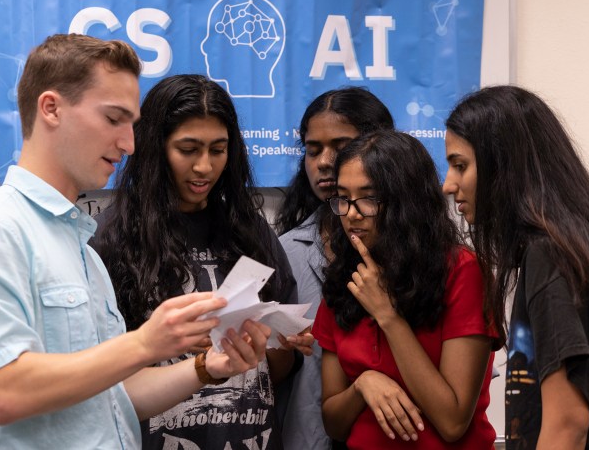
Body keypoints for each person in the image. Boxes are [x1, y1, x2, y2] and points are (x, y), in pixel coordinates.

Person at [0, 34, 270, 449]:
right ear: (51, 108)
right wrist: (144, 343)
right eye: (114, 119)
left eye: (131, 124)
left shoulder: (84, 253)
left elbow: (114, 398)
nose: (129, 144)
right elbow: (5, 392)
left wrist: (206, 367)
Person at [442, 85, 589, 449]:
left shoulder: (551, 256)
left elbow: (566, 426)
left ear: (503, 165)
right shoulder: (575, 245)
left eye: (460, 165)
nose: (448, 185)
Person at [93, 74, 311, 450]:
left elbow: (275, 373)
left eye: (218, 149)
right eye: (189, 149)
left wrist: (280, 344)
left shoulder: (249, 231)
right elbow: (99, 376)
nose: (205, 167)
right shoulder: (111, 237)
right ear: (154, 148)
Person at [312, 130, 496, 450]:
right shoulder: (346, 276)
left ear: (405, 202)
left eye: (368, 199)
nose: (352, 214)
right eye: (343, 198)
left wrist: (387, 315)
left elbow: (452, 422)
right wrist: (362, 386)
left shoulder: (462, 271)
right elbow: (334, 424)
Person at [276, 87, 394, 450]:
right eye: (313, 150)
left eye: (340, 146)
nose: (325, 161)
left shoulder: (421, 256)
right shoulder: (283, 252)